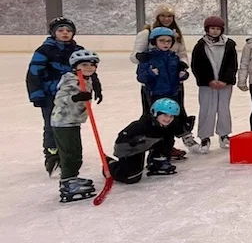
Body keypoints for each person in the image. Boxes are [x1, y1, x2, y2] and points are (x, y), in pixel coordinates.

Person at [26, 16, 104, 176]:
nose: (65, 33)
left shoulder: (78, 50)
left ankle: (67, 154)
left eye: (68, 30)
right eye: (61, 30)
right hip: (50, 95)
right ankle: (52, 156)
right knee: (51, 125)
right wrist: (36, 94)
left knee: (70, 124)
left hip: (73, 95)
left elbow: (89, 70)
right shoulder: (44, 50)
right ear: (53, 32)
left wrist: (96, 87)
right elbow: (34, 73)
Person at [137, 27, 197, 154]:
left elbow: (179, 76)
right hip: (156, 96)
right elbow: (141, 77)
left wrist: (183, 75)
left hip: (172, 95)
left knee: (170, 125)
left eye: (168, 41)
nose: (166, 44)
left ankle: (167, 150)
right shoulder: (148, 58)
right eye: (162, 41)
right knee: (158, 125)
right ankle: (156, 153)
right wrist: (150, 73)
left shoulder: (174, 58)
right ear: (154, 42)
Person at [51, 50, 100, 203]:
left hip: (72, 121)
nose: (89, 68)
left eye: (92, 65)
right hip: (63, 121)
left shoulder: (86, 78)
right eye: (84, 65)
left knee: (75, 152)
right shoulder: (71, 79)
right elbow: (60, 99)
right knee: (70, 153)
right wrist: (75, 97)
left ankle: (71, 178)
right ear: (75, 66)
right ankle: (68, 183)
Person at [107, 98, 184, 184]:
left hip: (145, 144)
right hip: (131, 150)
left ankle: (157, 160)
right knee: (132, 177)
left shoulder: (167, 125)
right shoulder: (141, 125)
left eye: (171, 116)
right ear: (155, 113)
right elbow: (121, 138)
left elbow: (171, 137)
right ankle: (109, 164)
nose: (168, 119)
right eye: (165, 115)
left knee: (167, 135)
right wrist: (131, 141)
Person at [190, 15, 237, 153]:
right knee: (207, 109)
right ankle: (205, 137)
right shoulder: (200, 45)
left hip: (224, 85)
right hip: (207, 85)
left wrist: (225, 80)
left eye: (218, 28)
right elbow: (197, 65)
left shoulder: (229, 44)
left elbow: (232, 65)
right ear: (207, 29)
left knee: (223, 109)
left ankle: (224, 135)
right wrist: (208, 80)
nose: (215, 31)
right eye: (212, 28)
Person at [131, 4, 188, 113]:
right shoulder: (146, 33)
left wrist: (182, 65)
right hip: (154, 84)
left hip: (173, 82)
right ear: (157, 17)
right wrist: (140, 57)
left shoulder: (176, 35)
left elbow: (182, 54)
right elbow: (134, 57)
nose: (166, 19)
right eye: (163, 15)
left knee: (175, 112)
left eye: (170, 16)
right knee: (154, 113)